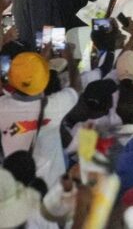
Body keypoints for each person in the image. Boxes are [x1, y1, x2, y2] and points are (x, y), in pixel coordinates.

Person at [0, 52, 78, 187]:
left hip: (14, 184)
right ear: (45, 81)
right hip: (51, 186)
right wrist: (70, 59)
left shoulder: (2, 106)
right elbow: (76, 89)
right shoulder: (55, 105)